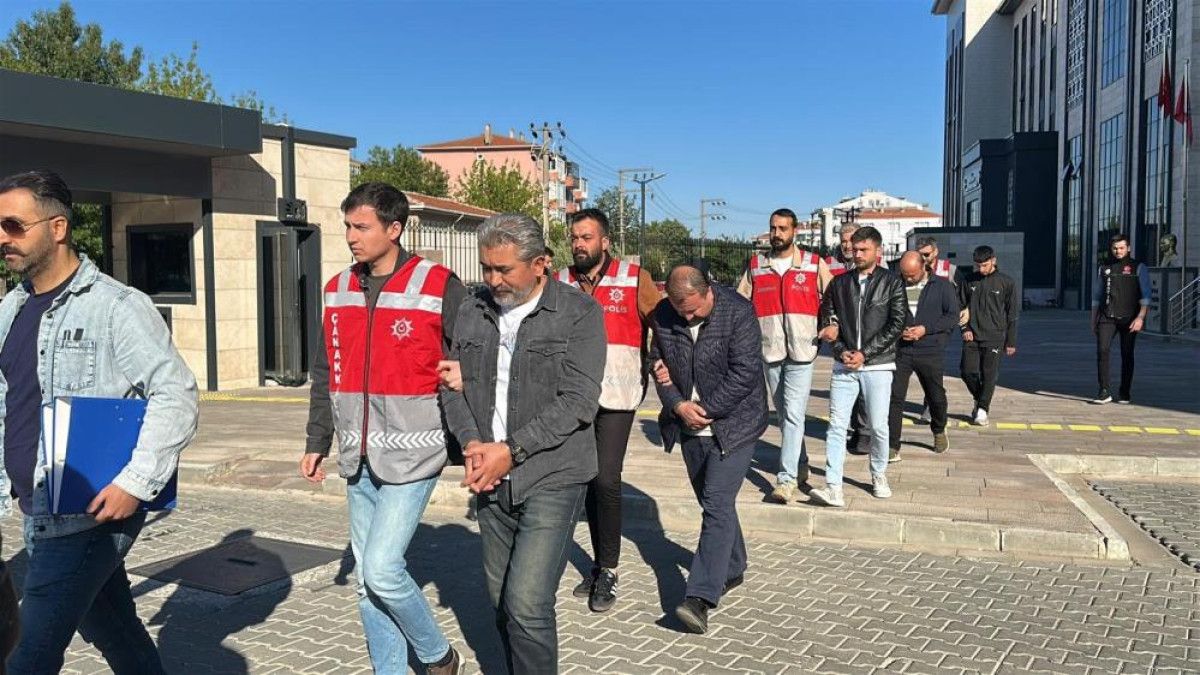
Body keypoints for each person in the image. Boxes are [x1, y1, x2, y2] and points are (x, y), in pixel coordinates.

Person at [0, 170, 198, 674]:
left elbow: (175, 394)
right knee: (116, 631)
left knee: (26, 654)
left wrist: (136, 482)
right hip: (35, 508)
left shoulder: (117, 307)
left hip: (90, 514)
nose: (2, 238)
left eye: (13, 225)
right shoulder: (12, 307)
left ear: (58, 227)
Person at [300, 182, 463, 675]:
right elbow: (326, 371)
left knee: (382, 569)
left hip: (416, 452)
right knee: (367, 584)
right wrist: (317, 440)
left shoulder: (438, 285)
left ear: (394, 229)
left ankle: (438, 656)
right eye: (348, 226)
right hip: (357, 455)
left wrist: (471, 440)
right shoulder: (337, 289)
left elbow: (470, 361)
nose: (351, 236)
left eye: (362, 227)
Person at [440, 213, 605, 674]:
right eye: (486, 268)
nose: (493, 280)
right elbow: (451, 385)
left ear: (540, 264)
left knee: (527, 604)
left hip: (553, 474)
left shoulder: (579, 313)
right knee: (502, 602)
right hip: (490, 477)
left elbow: (579, 401)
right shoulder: (472, 309)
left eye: (504, 269)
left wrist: (510, 451)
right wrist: (473, 444)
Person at [649, 265, 768, 634]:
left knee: (716, 503)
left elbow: (745, 372)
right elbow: (657, 364)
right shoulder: (663, 314)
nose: (686, 317)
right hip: (689, 427)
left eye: (693, 310)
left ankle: (699, 597)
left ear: (708, 291)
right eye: (679, 311)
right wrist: (677, 404)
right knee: (714, 503)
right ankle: (733, 566)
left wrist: (705, 409)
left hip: (735, 425)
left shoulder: (739, 312)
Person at [556, 208, 658, 613]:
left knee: (606, 479)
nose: (579, 244)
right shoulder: (560, 281)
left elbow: (661, 324)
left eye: (586, 237)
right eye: (574, 238)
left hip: (619, 393)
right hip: (573, 396)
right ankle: (597, 566)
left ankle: (610, 569)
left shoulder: (634, 278)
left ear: (605, 241)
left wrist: (663, 365)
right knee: (585, 479)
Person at [736, 208, 832, 503]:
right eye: (773, 228)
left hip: (803, 350)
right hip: (770, 350)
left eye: (782, 228)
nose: (776, 234)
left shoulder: (814, 264)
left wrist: (832, 325)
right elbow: (740, 303)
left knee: (792, 414)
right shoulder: (756, 266)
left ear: (795, 231)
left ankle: (786, 480)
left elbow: (834, 299)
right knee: (784, 413)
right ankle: (800, 464)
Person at [810, 226, 905, 508]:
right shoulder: (839, 284)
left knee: (878, 426)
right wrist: (841, 351)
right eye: (854, 249)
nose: (857, 254)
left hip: (878, 365)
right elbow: (827, 319)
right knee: (837, 426)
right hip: (844, 365)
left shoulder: (892, 282)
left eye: (864, 249)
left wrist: (865, 354)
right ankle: (833, 487)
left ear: (878, 251)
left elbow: (896, 323)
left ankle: (879, 475)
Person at [887, 252, 959, 460]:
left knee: (935, 395)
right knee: (894, 397)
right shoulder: (894, 285)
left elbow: (952, 316)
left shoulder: (942, 286)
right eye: (904, 274)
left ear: (923, 266)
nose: (908, 278)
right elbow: (886, 314)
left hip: (930, 349)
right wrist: (898, 331)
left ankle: (939, 429)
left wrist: (926, 329)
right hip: (901, 349)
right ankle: (892, 444)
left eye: (912, 274)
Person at [958, 245, 1019, 426]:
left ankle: (982, 410)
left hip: (995, 337)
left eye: (984, 265)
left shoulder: (1006, 282)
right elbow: (959, 307)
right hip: (972, 335)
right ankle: (980, 399)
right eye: (978, 266)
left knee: (989, 375)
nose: (981, 269)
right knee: (967, 372)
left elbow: (1012, 314)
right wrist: (964, 329)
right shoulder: (969, 281)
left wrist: (1011, 341)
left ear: (993, 260)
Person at [825, 223, 870, 452]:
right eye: (843, 241)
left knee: (863, 384)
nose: (846, 245)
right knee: (845, 381)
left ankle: (864, 432)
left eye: (850, 240)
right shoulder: (828, 264)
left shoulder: (873, 264)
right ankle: (853, 427)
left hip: (864, 332)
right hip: (839, 334)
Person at [1090, 234, 1151, 405]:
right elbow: (1096, 295)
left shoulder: (1138, 267)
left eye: (1122, 248)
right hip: (1107, 316)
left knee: (1127, 353)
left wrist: (1140, 317)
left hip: (1130, 318)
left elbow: (1146, 296)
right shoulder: (1104, 268)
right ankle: (1104, 391)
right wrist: (1093, 319)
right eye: (1115, 248)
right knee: (1102, 350)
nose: (1118, 251)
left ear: (1128, 248)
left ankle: (1125, 391)